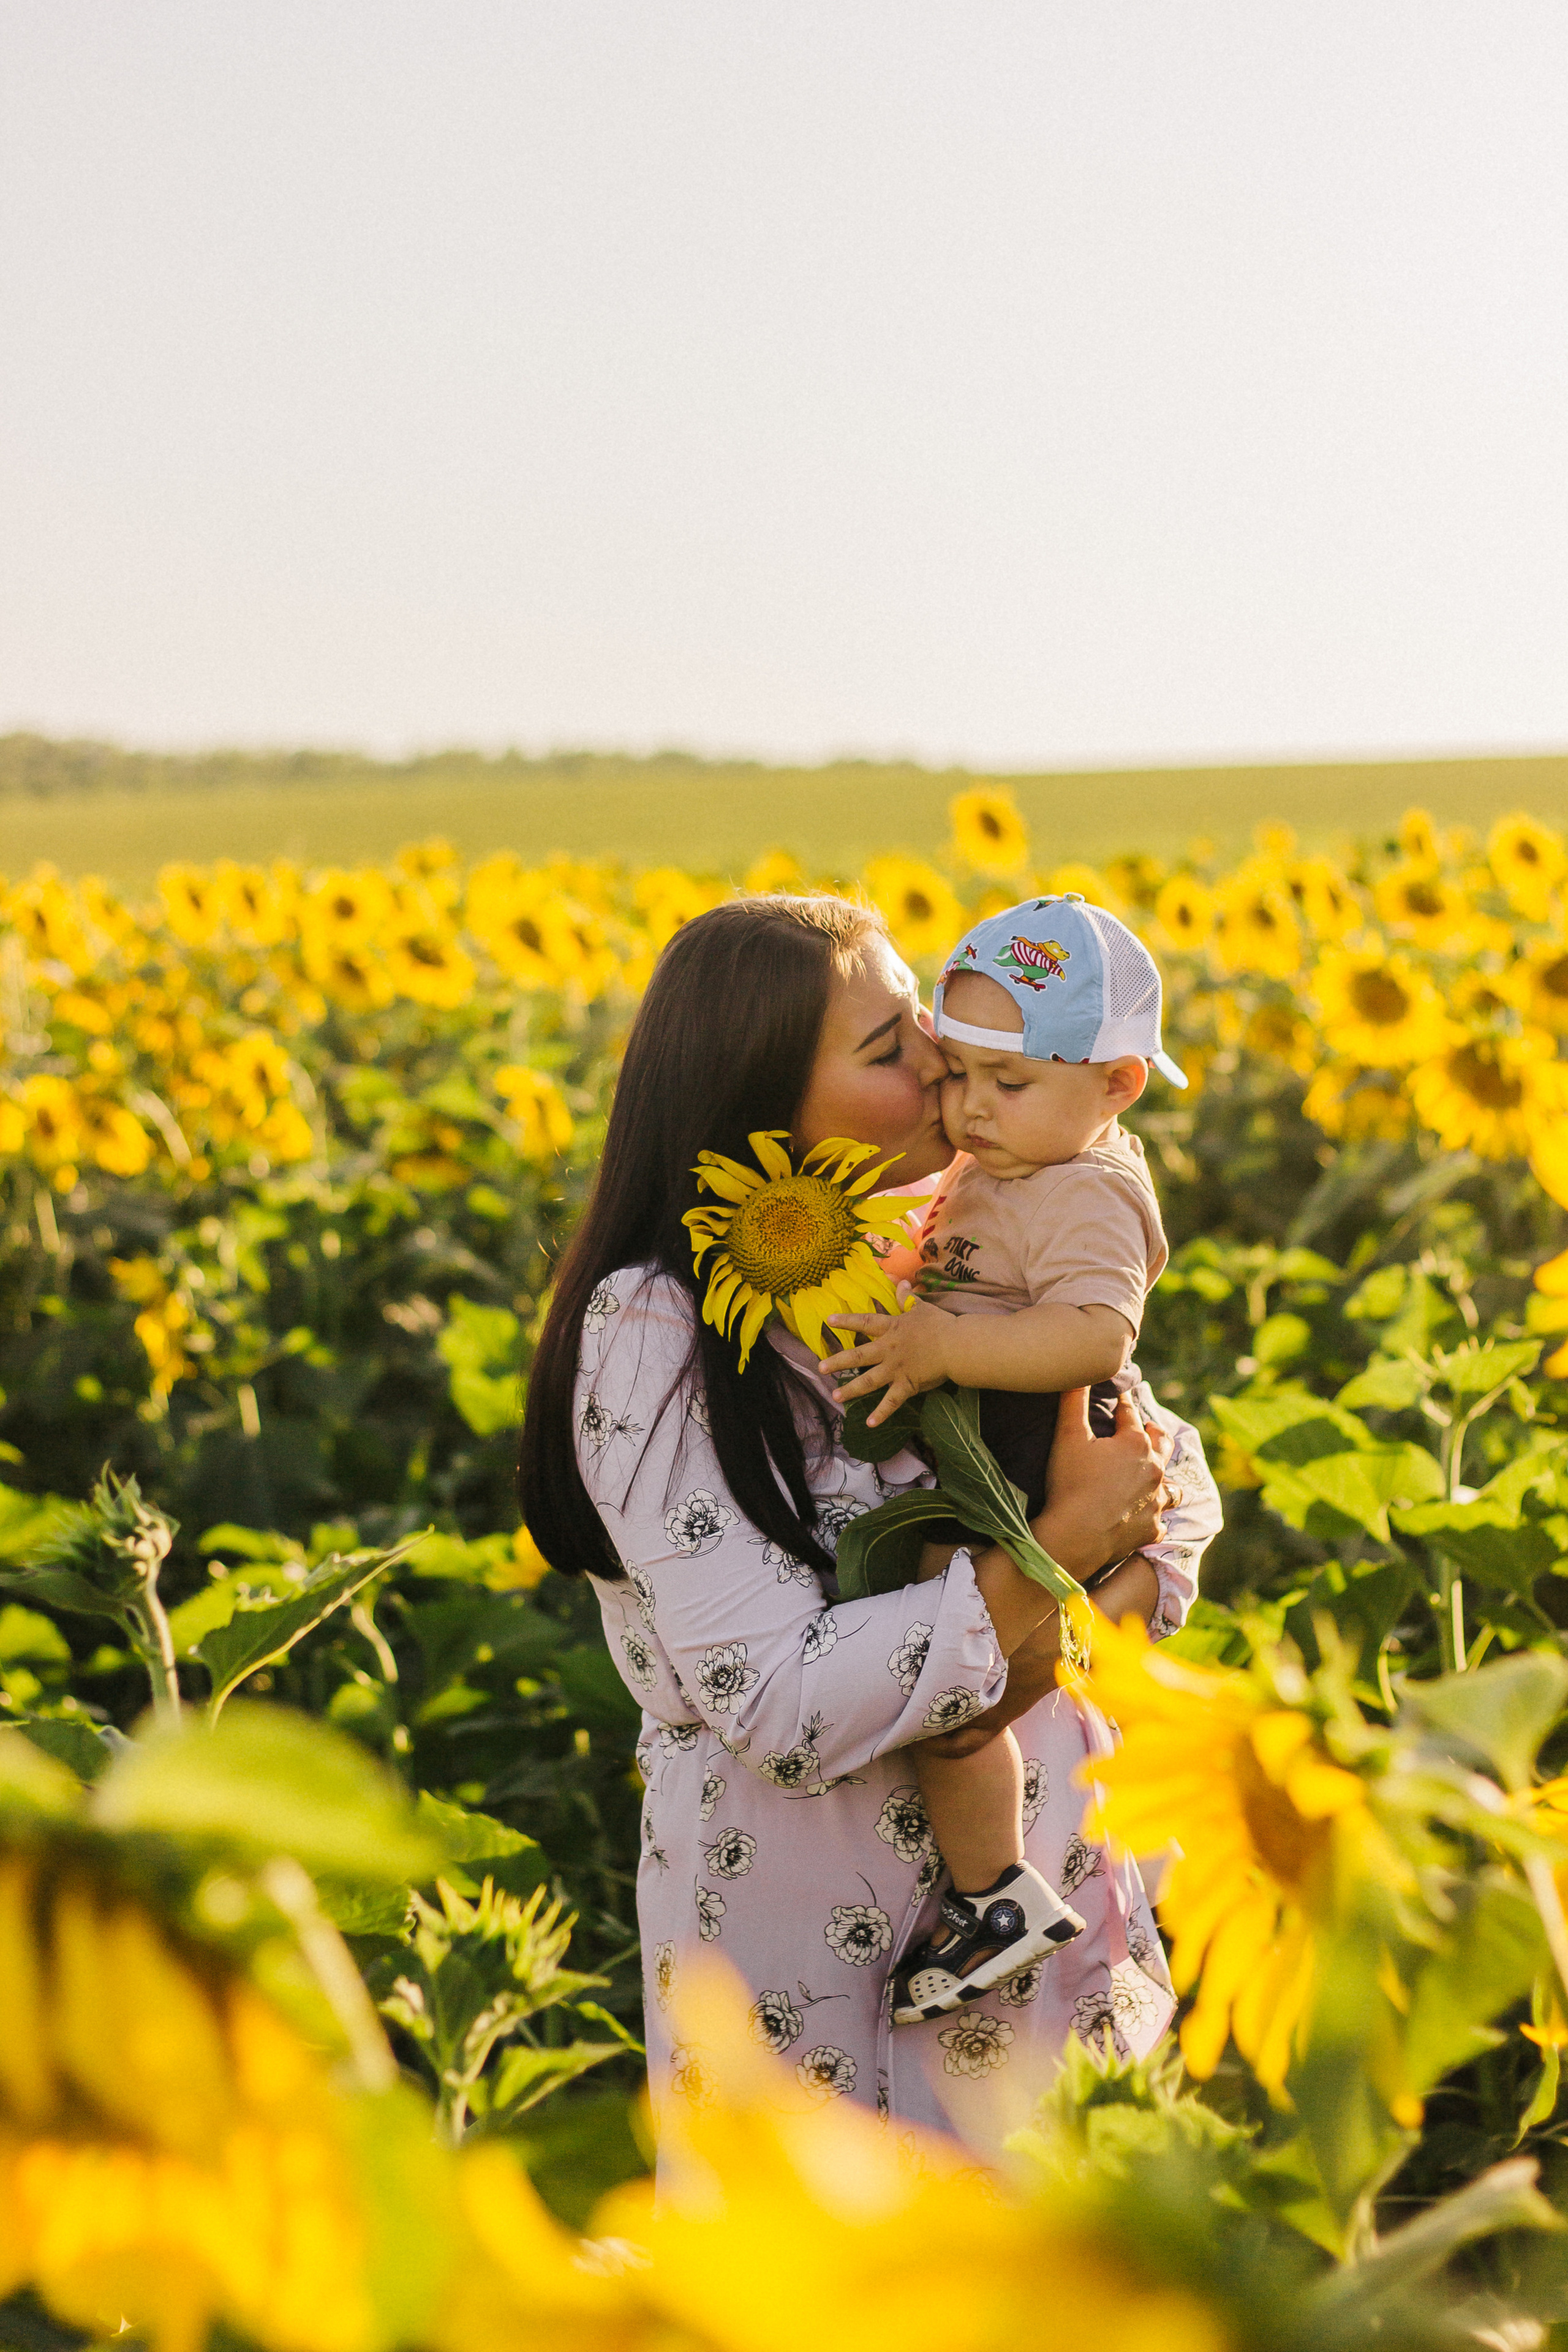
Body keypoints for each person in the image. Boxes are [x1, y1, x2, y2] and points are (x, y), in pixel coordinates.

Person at [518, 893, 1221, 2156]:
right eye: (896, 1050)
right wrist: (1053, 1560)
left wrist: (1092, 1610)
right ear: (758, 1103)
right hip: (807, 1979)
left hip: (1035, 1934)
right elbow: (777, 1703)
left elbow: (1155, 1472)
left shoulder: (941, 1233)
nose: (944, 1065)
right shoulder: (651, 1326)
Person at [818, 894, 1194, 2024]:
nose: (972, 1109)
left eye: (1010, 1083)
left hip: (1027, 1457)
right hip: (991, 1447)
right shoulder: (1024, 1158)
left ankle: (998, 1900)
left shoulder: (1088, 1190)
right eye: (956, 1072)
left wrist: (944, 1345)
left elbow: (1097, 1337)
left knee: (956, 1699)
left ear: (1116, 1084)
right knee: (949, 1666)